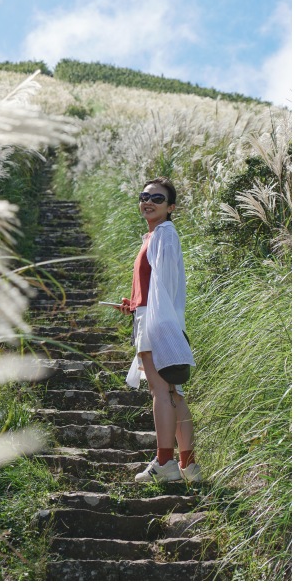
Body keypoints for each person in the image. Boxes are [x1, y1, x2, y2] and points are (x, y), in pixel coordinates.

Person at [115, 177, 200, 483]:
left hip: (155, 319)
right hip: (155, 316)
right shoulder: (154, 235)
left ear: (171, 207)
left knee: (160, 391)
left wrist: (151, 319)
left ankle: (164, 463)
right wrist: (134, 304)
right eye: (144, 196)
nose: (148, 201)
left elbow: (165, 284)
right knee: (173, 391)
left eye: (158, 198)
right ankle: (188, 465)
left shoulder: (163, 233)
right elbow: (156, 285)